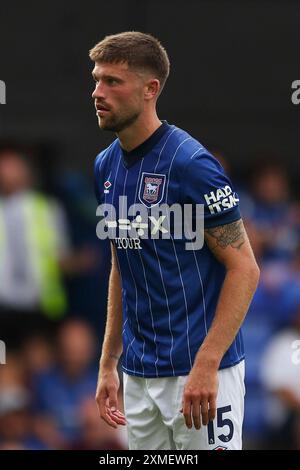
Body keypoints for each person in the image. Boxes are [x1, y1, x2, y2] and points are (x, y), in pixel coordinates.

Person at [90, 31, 260, 450]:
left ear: (151, 90)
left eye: (113, 82)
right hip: (139, 374)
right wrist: (109, 361)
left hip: (199, 374)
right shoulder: (104, 166)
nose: (97, 92)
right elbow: (121, 264)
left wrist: (208, 362)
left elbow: (245, 267)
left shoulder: (191, 164)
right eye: (96, 79)